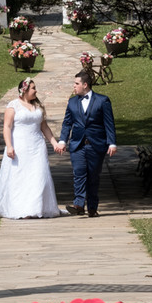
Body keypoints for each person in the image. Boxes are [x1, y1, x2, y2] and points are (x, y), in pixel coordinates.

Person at [0, 77, 65, 219]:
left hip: (37, 147)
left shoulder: (38, 106)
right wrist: (9, 146)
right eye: (33, 88)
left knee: (39, 176)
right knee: (21, 177)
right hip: (20, 146)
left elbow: (44, 127)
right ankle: (23, 209)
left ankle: (36, 208)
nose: (36, 91)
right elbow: (7, 127)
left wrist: (54, 143)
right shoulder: (13, 105)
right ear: (24, 90)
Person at [54, 69, 117, 217]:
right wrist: (63, 140)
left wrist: (112, 143)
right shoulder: (72, 102)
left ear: (85, 85)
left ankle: (93, 208)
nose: (74, 86)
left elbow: (109, 124)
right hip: (77, 145)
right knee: (79, 174)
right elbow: (67, 123)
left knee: (93, 176)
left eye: (76, 84)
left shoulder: (103, 101)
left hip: (96, 145)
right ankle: (79, 204)